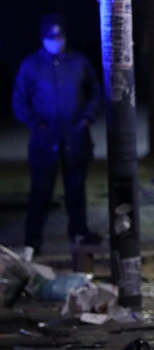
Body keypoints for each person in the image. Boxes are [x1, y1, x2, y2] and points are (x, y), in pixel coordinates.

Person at [13, 15, 102, 259]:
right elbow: (19, 100)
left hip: (75, 138)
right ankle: (32, 244)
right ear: (43, 39)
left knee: (76, 192)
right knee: (40, 193)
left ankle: (79, 237)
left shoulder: (78, 62)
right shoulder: (32, 65)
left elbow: (95, 91)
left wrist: (86, 119)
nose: (57, 42)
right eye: (52, 38)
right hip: (45, 140)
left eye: (60, 37)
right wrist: (36, 124)